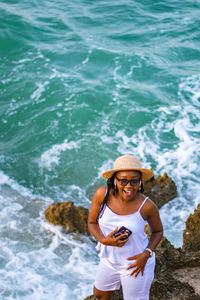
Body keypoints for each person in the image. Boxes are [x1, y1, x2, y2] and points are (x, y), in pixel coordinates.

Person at [88, 155, 163, 300]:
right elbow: (92, 222)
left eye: (134, 181)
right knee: (100, 295)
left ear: (140, 182)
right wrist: (104, 240)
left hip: (135, 263)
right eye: (123, 180)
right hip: (109, 259)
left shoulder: (147, 206)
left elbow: (158, 231)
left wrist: (146, 254)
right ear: (114, 180)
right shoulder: (102, 195)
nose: (129, 186)